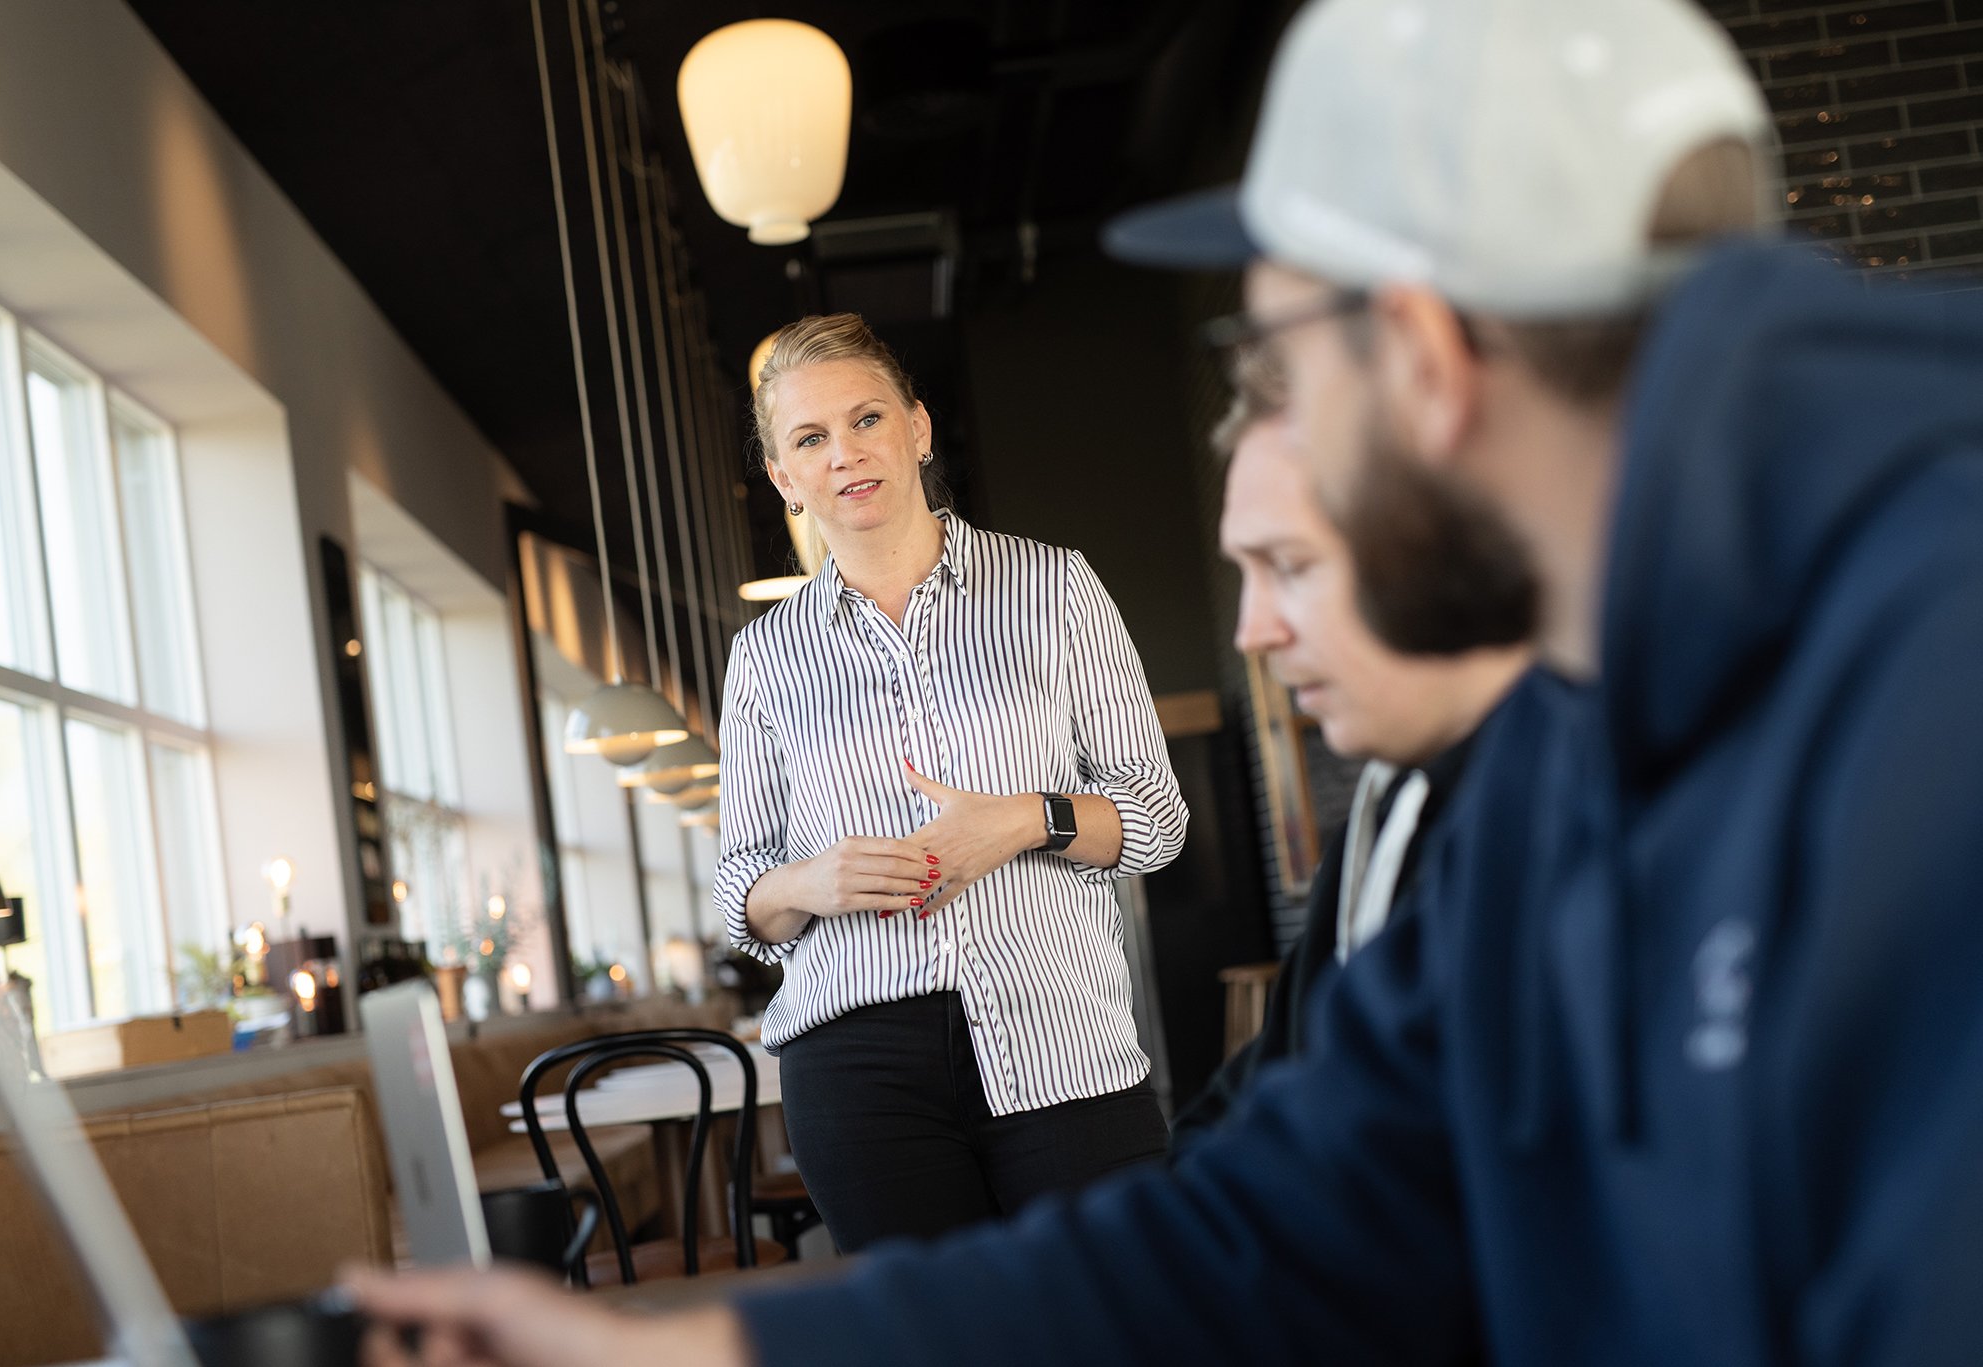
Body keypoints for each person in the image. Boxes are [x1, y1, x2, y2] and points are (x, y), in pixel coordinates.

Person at [349, 0, 1983, 1361]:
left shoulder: (1923, 680)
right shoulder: (1559, 731)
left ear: (1417, 354)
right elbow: (1265, 1224)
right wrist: (685, 1349)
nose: (1255, 481)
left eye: (1269, 372)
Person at [709, 312, 1185, 1252]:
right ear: (784, 480)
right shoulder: (763, 658)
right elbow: (740, 891)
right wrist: (811, 884)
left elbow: (1158, 819)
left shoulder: (1055, 590)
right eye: (810, 438)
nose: (846, 453)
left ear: (917, 429)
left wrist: (1022, 820)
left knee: (1119, 1323)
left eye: (867, 419)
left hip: (1061, 1041)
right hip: (855, 1071)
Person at [1171, 347, 1530, 1153]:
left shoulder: (1582, 820)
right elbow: (1273, 1089)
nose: (1251, 631)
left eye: (1290, 566)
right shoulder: (1390, 800)